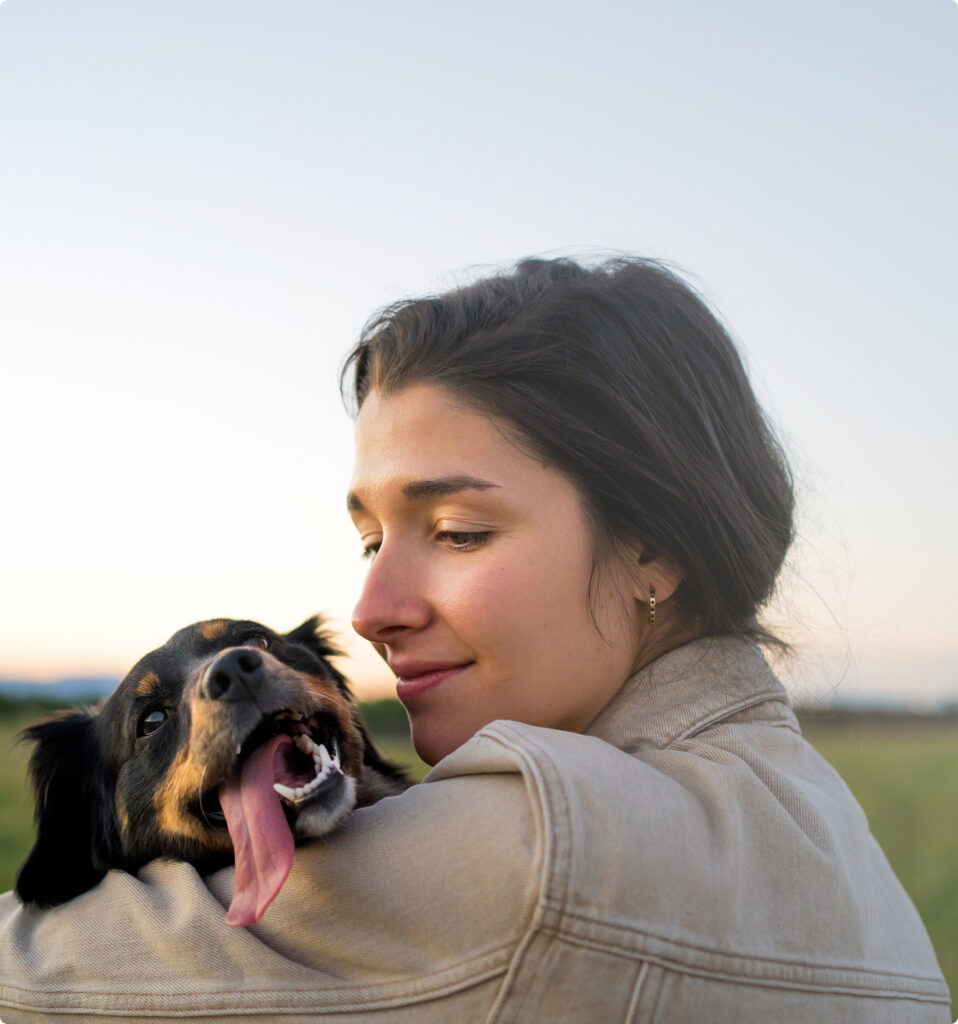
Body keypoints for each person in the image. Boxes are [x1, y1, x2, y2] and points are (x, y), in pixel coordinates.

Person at [0, 257, 949, 1022]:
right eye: (371, 541)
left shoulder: (539, 850)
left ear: (654, 550)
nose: (370, 610)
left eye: (457, 530)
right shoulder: (831, 830)